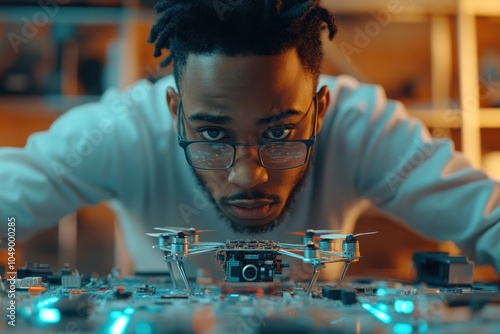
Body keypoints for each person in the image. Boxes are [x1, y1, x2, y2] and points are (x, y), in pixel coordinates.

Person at [1, 0, 499, 280]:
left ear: (320, 111)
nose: (249, 176)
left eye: (279, 132)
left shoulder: (360, 126)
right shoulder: (123, 130)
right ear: (174, 112)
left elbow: (487, 221)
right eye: (213, 133)